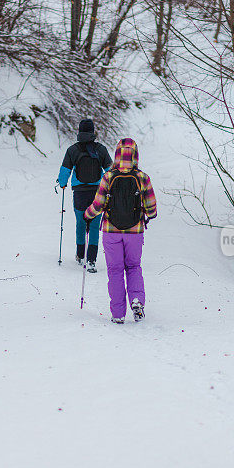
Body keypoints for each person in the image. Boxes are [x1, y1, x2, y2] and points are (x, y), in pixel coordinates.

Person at [83, 138, 157, 324]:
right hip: (135, 232)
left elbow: (98, 205)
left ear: (117, 155)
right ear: (135, 155)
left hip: (111, 231)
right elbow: (152, 210)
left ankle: (118, 314)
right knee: (133, 267)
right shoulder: (143, 178)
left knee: (115, 271)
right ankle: (137, 300)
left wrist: (87, 214)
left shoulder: (108, 177)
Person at [56, 119, 113, 273]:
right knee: (94, 226)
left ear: (79, 131)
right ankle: (92, 260)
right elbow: (110, 171)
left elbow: (65, 170)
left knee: (81, 223)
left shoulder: (72, 150)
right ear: (93, 132)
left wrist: (62, 183)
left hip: (79, 193)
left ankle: (80, 255)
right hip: (97, 193)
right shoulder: (101, 149)